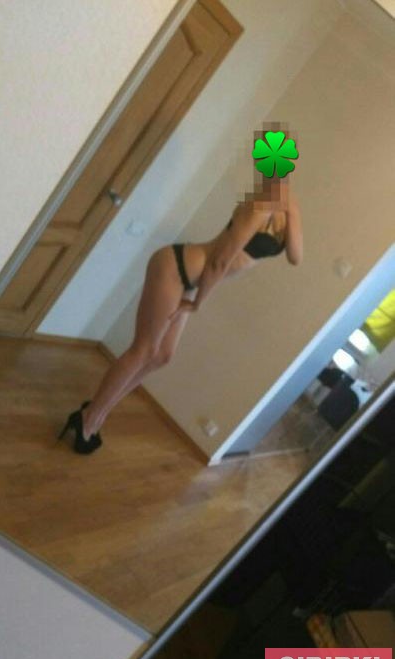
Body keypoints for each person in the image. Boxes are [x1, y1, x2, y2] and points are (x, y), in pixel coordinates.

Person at [58, 133, 303, 454]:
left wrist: (292, 211)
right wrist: (196, 303)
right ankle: (90, 419)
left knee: (163, 356)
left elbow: (296, 256)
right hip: (176, 269)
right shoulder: (257, 207)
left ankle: (96, 410)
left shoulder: (287, 208)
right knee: (144, 350)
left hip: (191, 281)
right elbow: (218, 262)